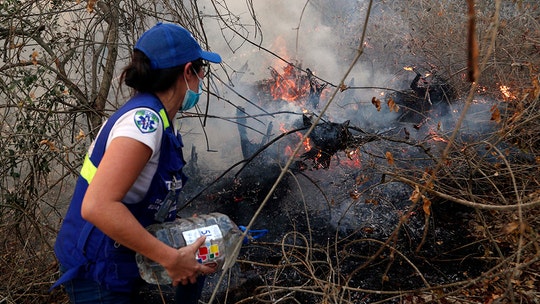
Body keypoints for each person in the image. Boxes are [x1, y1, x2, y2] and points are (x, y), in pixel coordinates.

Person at [51, 22, 222, 304]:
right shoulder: (143, 124)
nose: (202, 77)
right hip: (99, 272)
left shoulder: (161, 120)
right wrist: (171, 258)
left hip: (119, 263)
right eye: (202, 69)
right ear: (188, 71)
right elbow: (98, 205)